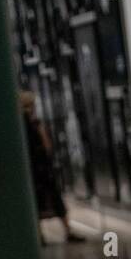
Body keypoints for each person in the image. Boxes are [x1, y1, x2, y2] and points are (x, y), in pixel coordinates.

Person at [20, 91, 84, 244]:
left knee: (38, 202)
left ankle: (41, 235)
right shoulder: (32, 124)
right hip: (40, 169)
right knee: (51, 199)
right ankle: (66, 231)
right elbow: (47, 146)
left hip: (35, 170)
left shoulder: (22, 124)